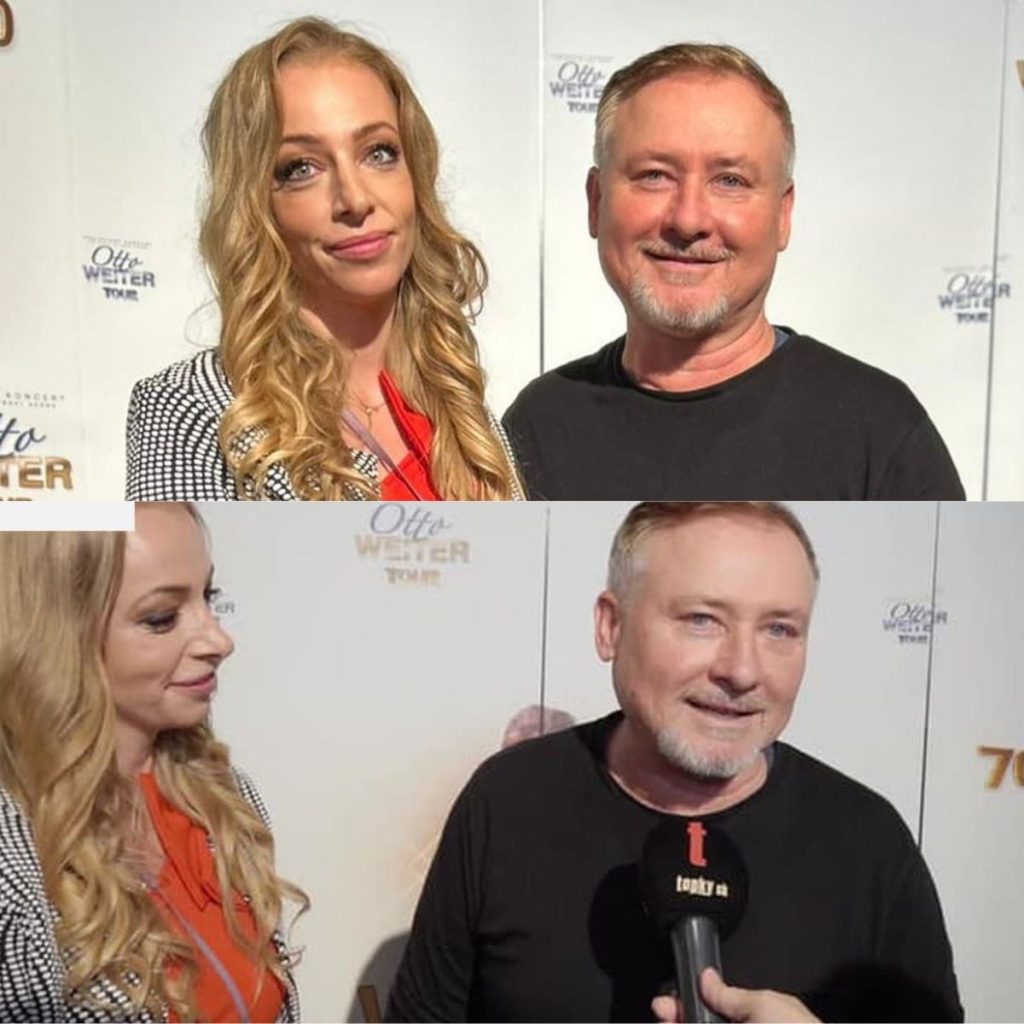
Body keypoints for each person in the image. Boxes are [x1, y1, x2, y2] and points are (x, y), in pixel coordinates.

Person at [387, 502, 962, 1022]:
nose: (742, 670)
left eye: (779, 629)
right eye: (702, 620)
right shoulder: (509, 800)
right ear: (610, 626)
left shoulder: (869, 843)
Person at [503, 44, 965, 500]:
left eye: (730, 181)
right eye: (654, 175)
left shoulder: (881, 435)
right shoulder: (537, 427)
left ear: (783, 215)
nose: (688, 220)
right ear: (596, 201)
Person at [126, 17, 521, 501]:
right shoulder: (192, 408)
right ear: (255, 205)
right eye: (301, 168)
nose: (354, 198)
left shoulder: (459, 405)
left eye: (379, 153)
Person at [0, 503, 307, 1021]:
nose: (219, 640)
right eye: (162, 618)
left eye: (209, 597)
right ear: (57, 632)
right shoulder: (15, 851)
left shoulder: (223, 797)